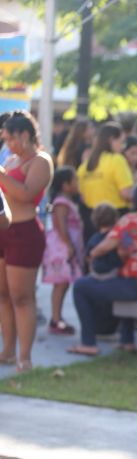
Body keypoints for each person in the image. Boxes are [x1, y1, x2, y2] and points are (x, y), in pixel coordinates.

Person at [70, 183, 137, 356]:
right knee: (123, 277)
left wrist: (91, 254)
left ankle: (88, 343)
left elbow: (104, 247)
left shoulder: (128, 221)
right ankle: (127, 340)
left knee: (81, 287)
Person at [0, 111, 54, 373]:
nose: (8, 144)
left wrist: (0, 174)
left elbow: (25, 194)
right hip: (4, 230)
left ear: (25, 135)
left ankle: (25, 357)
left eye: (10, 138)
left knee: (22, 297)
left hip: (25, 232)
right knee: (3, 295)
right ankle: (8, 351)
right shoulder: (11, 160)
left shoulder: (41, 161)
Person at [42, 166, 84, 335]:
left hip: (65, 248)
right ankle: (56, 319)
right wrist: (68, 244)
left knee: (64, 282)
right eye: (74, 180)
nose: (77, 183)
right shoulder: (61, 203)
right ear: (65, 185)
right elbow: (60, 224)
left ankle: (57, 318)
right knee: (61, 283)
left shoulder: (65, 201)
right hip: (62, 249)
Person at [77, 122, 134, 242]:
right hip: (115, 219)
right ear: (112, 140)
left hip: (91, 221)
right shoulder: (117, 160)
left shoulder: (85, 166)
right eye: (121, 141)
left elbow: (81, 196)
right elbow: (126, 193)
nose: (123, 146)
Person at [86, 203, 122, 279]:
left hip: (97, 275)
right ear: (116, 219)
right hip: (115, 275)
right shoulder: (118, 237)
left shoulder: (93, 239)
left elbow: (89, 260)